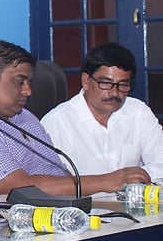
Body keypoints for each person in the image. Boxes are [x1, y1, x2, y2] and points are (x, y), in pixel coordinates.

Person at [0, 40, 149, 199]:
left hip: (54, 218)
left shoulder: (25, 117)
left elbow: (59, 173)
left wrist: (102, 208)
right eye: (19, 81)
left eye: (30, 82)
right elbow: (19, 187)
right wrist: (106, 181)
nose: (28, 91)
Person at [41, 42, 162, 182]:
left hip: (134, 200)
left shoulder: (138, 111)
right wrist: (113, 181)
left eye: (123, 84)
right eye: (105, 83)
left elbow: (161, 162)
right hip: (85, 203)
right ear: (86, 81)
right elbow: (54, 183)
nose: (115, 92)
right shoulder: (58, 121)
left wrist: (131, 179)